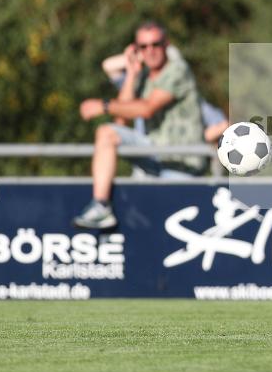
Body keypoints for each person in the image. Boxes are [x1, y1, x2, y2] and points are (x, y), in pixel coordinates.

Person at [73, 22, 208, 230]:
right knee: (107, 133)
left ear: (166, 45)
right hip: (154, 157)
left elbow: (147, 109)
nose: (150, 51)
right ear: (137, 49)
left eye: (156, 44)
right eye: (143, 47)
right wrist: (132, 73)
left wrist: (103, 105)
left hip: (180, 162)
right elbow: (121, 122)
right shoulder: (143, 76)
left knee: (169, 233)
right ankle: (100, 206)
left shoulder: (177, 70)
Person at [102, 45, 230, 144]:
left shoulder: (190, 100)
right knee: (106, 133)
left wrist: (191, 141)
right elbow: (109, 65)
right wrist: (146, 55)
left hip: (174, 166)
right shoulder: (141, 88)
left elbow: (223, 125)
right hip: (145, 164)